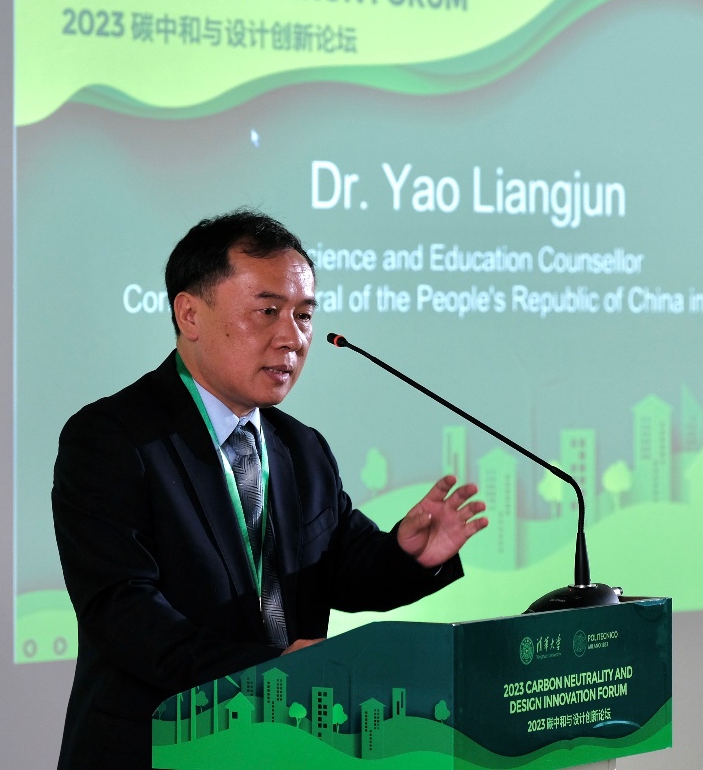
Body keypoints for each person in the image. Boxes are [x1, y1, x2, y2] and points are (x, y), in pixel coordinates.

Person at [52, 210, 487, 769]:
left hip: (290, 749)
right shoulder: (113, 438)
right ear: (190, 314)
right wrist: (267, 669)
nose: (293, 338)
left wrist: (407, 554)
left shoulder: (300, 447)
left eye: (304, 315)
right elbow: (124, 614)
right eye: (267, 311)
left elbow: (337, 570)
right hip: (159, 749)